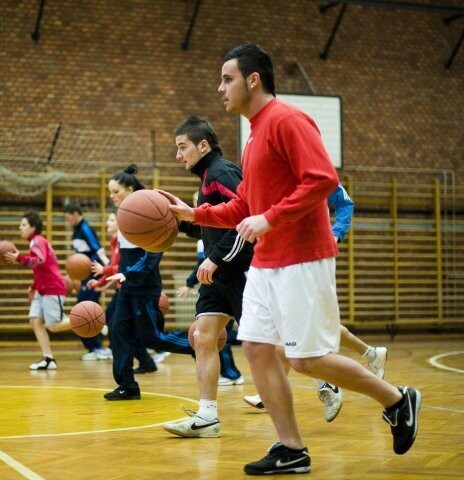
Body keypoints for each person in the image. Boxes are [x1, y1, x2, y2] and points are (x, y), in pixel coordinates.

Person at [160, 44, 420, 475]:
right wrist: (193, 214)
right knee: (258, 348)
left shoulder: (287, 119)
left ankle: (397, 400)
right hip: (267, 261)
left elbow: (323, 180)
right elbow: (242, 205)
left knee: (304, 359)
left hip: (302, 255)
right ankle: (291, 447)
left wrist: (270, 218)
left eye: (227, 78)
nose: (219, 87)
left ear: (253, 79)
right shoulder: (253, 136)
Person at [244, 184, 389, 423]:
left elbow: (345, 203)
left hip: (311, 259)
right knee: (305, 327)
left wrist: (336, 232)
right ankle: (371, 354)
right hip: (284, 260)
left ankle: (330, 385)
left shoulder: (313, 169)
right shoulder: (273, 174)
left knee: (295, 332)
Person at [163, 117, 253, 438]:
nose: (178, 156)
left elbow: (246, 217)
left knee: (267, 345)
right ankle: (208, 416)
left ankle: (323, 378)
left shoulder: (221, 172)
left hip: (243, 271)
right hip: (219, 275)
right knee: (202, 336)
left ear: (203, 146)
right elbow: (211, 226)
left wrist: (215, 258)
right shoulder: (204, 182)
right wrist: (179, 221)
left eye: (182, 147)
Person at [103, 164, 194, 401]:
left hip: (144, 287)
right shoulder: (124, 217)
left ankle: (197, 345)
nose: (112, 197)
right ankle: (128, 386)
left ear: (130, 189)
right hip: (127, 287)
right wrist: (117, 275)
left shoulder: (148, 212)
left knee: (150, 337)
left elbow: (152, 255)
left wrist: (128, 274)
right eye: (110, 193)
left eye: (115, 191)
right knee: (117, 330)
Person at [176, 190, 244, 387]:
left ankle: (233, 374)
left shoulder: (229, 221)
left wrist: (190, 283)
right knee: (207, 336)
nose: (196, 205)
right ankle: (208, 409)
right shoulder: (203, 236)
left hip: (239, 276)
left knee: (263, 340)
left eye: (198, 201)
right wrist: (177, 224)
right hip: (214, 283)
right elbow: (201, 234)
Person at [88, 213, 158, 374]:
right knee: (121, 327)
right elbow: (115, 268)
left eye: (112, 219)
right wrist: (100, 283)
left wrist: (103, 271)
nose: (107, 222)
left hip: (132, 289)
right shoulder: (115, 242)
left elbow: (122, 268)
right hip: (123, 289)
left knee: (118, 326)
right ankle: (144, 361)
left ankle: (137, 361)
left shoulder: (125, 241)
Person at [5, 211, 70, 371]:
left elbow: (39, 261)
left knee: (53, 325)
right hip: (42, 289)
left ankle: (89, 319)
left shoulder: (37, 241)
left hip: (52, 288)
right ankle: (48, 359)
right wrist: (33, 286)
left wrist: (19, 258)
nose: (20, 227)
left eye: (24, 224)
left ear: (33, 227)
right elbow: (43, 268)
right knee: (35, 320)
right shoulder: (36, 241)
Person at [63, 203, 112, 361]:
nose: (67, 220)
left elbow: (97, 249)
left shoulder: (85, 228)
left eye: (68, 217)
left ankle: (98, 348)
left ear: (76, 213)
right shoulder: (76, 230)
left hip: (93, 275)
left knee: (85, 311)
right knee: (82, 310)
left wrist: (108, 265)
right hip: (85, 276)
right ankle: (95, 347)